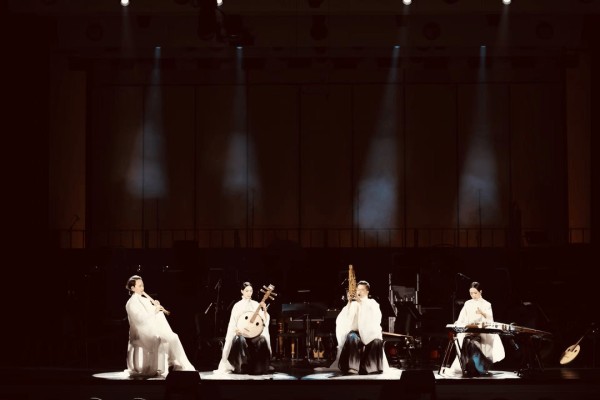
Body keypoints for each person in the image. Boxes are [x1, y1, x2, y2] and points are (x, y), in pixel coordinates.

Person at [125, 275, 195, 377]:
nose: (142, 288)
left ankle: (175, 364)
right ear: (132, 288)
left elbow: (150, 311)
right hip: (141, 332)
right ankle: (169, 364)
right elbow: (140, 320)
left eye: (142, 285)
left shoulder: (144, 299)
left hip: (150, 328)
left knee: (173, 337)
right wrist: (154, 311)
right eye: (139, 286)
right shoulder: (131, 303)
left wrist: (156, 306)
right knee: (162, 338)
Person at [331, 280, 389, 375]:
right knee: (352, 336)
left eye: (362, 289)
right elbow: (343, 319)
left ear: (367, 291)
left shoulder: (372, 303)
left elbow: (375, 318)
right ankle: (352, 367)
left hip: (369, 333)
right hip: (356, 332)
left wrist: (361, 302)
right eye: (358, 289)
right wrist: (349, 302)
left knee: (376, 340)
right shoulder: (354, 303)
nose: (359, 291)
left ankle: (371, 367)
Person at [214, 282, 272, 375]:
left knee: (262, 339)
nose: (249, 293)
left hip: (253, 335)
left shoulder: (255, 304)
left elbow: (264, 321)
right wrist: (236, 331)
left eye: (251, 291)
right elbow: (232, 323)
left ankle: (260, 367)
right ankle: (241, 367)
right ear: (242, 291)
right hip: (241, 334)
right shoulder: (237, 305)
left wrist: (264, 309)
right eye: (247, 291)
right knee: (241, 339)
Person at [450, 281, 505, 376]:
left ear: (480, 291)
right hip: (469, 331)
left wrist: (482, 313)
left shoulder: (487, 304)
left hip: (482, 332)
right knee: (466, 340)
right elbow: (462, 318)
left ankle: (480, 367)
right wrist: (459, 323)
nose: (473, 295)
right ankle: (467, 366)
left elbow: (490, 320)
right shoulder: (468, 303)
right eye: (471, 293)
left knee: (474, 342)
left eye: (475, 293)